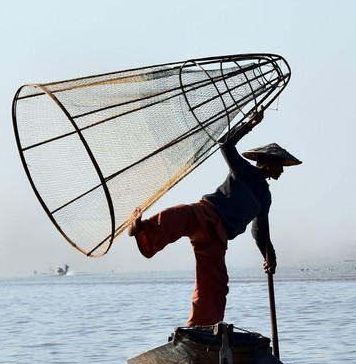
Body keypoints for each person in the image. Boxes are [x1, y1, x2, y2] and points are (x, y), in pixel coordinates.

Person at [127, 111, 300, 327]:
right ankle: (141, 228)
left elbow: (259, 231)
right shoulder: (243, 170)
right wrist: (250, 124)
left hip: (217, 238)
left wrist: (269, 255)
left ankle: (201, 328)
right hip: (205, 214)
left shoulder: (265, 197)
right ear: (267, 163)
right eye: (280, 165)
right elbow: (225, 145)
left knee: (215, 285)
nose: (282, 170)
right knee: (178, 216)